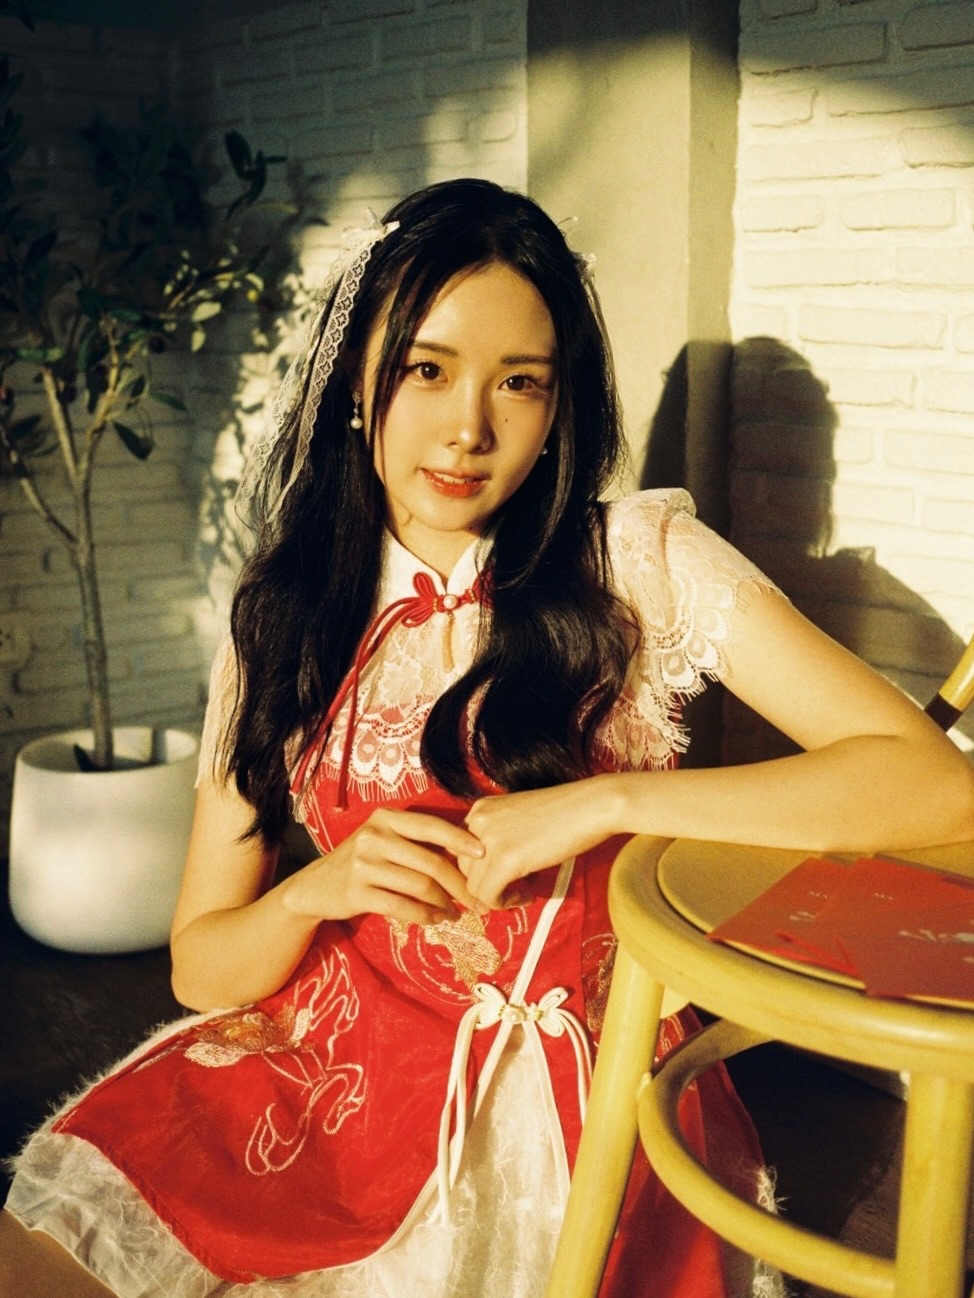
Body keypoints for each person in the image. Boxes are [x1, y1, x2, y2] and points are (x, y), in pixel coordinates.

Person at [2, 178, 972, 1298]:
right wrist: (317, 891)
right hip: (319, 1070)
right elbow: (199, 964)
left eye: (519, 382)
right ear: (356, 382)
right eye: (427, 369)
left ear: (558, 408)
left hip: (558, 1101)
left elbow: (933, 786)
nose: (469, 429)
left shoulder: (635, 564)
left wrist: (607, 802)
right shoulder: (280, 620)